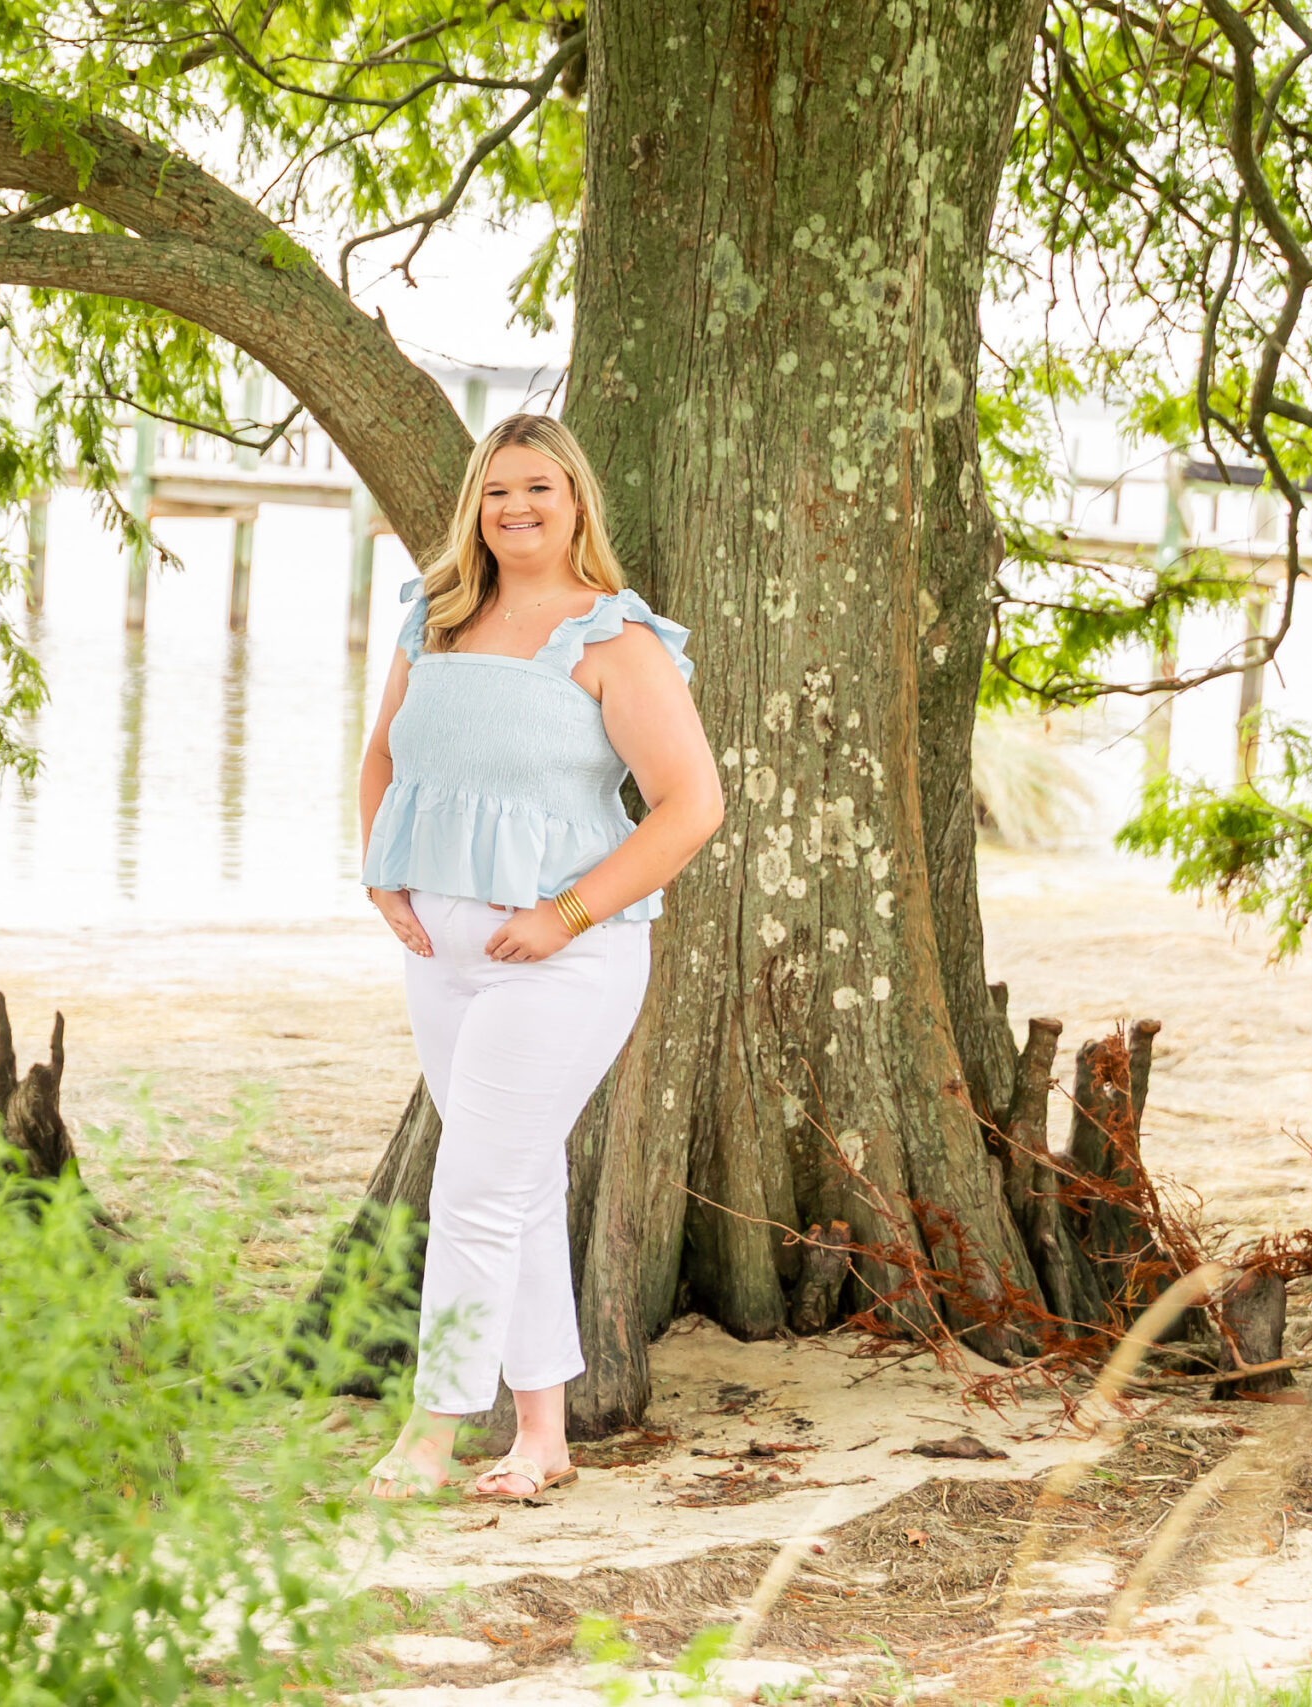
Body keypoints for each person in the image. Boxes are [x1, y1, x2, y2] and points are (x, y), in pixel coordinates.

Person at [356, 414, 723, 1501]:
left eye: (539, 490)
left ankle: (429, 1437)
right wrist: (380, 870)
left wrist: (565, 914)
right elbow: (383, 754)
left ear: (575, 506)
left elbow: (689, 806)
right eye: (496, 491)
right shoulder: (434, 621)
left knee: (472, 1188)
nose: (515, 508)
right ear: (475, 506)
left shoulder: (615, 639)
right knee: (510, 1188)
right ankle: (542, 1438)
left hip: (564, 957)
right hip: (440, 947)